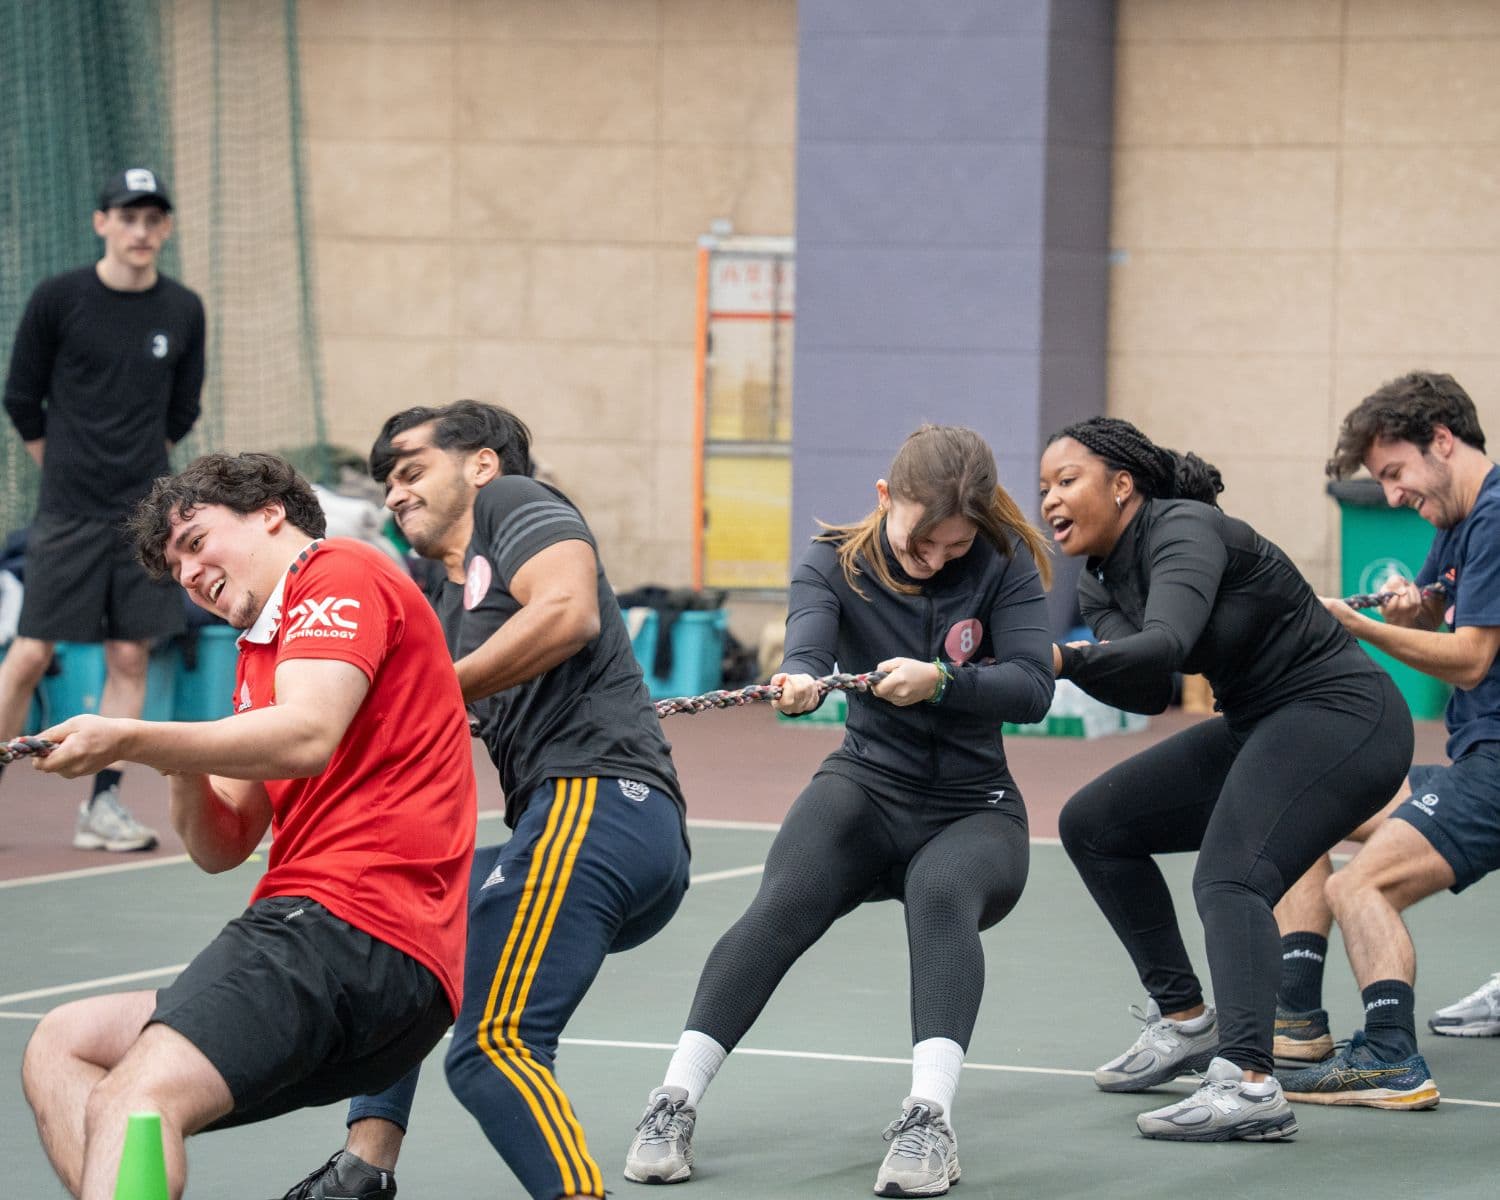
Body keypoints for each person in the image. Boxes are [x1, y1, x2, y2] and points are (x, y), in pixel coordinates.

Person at [19, 453, 476, 1200]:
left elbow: (306, 735)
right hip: (358, 968)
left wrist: (133, 735)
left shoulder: (336, 572)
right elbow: (221, 845)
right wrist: (176, 761)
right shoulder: (261, 653)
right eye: (178, 570)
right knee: (62, 1047)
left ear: (270, 512)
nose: (191, 575)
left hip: (348, 932)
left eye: (196, 542)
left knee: (138, 1101)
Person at [624, 425, 1052, 1198]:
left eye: (954, 548)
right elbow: (808, 646)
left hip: (973, 808)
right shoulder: (832, 560)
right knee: (779, 903)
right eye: (924, 544)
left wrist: (944, 683)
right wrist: (800, 680)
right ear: (886, 498)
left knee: (939, 894)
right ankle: (673, 1100)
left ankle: (929, 1121)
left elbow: (1032, 685)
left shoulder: (1004, 563)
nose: (937, 561)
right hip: (864, 789)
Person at [277, 400, 691, 1200]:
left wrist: (428, 692)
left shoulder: (515, 504)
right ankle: (365, 1164)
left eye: (411, 471)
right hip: (561, 824)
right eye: (385, 483)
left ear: (480, 465)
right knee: (408, 936)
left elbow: (566, 613)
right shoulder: (442, 596)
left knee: (492, 1049)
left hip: (600, 807)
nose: (394, 495)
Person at [1040, 415, 1414, 1142]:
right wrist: (1039, 669)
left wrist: (1056, 662)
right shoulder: (1098, 582)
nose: (1050, 500)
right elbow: (1150, 686)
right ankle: (1183, 1019)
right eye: (1044, 487)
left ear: (1123, 486)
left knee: (1230, 877)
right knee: (1094, 826)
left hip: (1345, 715)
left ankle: (1248, 1081)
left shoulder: (1184, 528)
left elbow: (1169, 641)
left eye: (1066, 480)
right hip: (1259, 724)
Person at [1271, 371, 1500, 1106]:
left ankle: (1389, 1058)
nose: (1395, 495)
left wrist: (1360, 625)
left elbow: (1469, 657)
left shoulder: (1495, 516)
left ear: (1442, 440)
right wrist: (1406, 612)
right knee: (1308, 805)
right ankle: (1296, 1020)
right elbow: (1436, 619)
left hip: (1495, 768)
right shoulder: (1458, 523)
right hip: (1477, 759)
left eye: (1397, 474)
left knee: (1357, 885)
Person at [1, 166, 206, 851]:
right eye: (127, 217)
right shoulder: (59, 298)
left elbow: (183, 407)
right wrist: (61, 467)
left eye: (153, 219)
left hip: (143, 515)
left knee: (129, 656)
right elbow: (21, 397)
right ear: (102, 223)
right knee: (30, 653)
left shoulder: (182, 309)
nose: (140, 230)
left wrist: (138, 477)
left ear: (165, 228)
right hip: (66, 510)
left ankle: (104, 808)